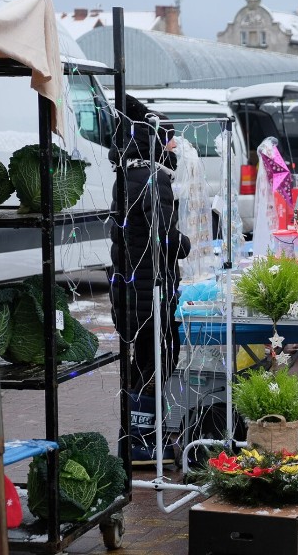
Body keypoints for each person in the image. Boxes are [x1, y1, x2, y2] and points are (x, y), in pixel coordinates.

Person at [109, 95, 191, 465]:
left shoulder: (127, 176)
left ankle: (136, 438)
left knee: (140, 362)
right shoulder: (154, 179)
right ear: (156, 141)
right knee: (157, 360)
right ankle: (143, 443)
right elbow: (163, 238)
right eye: (169, 138)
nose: (174, 146)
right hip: (150, 294)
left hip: (128, 291)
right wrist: (186, 243)